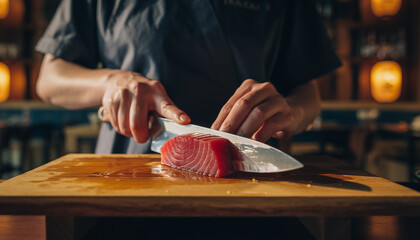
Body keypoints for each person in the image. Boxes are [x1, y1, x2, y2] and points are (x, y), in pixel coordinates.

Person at [36, 0, 341, 154]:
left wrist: (292, 112)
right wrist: (110, 84)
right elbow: (49, 78)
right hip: (129, 173)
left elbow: (308, 92)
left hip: (251, 181)